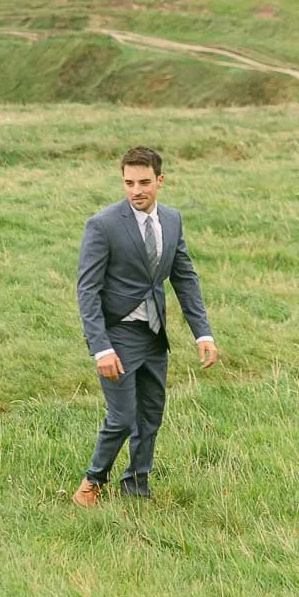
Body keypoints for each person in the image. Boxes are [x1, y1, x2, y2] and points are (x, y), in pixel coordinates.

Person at [72, 145, 217, 505]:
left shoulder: (172, 220)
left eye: (144, 182)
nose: (136, 190)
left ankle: (136, 487)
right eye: (129, 183)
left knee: (151, 415)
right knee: (122, 417)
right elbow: (87, 290)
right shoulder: (103, 224)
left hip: (155, 335)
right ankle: (92, 481)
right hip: (118, 335)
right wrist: (101, 348)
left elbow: (184, 277)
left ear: (160, 181)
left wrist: (203, 332)